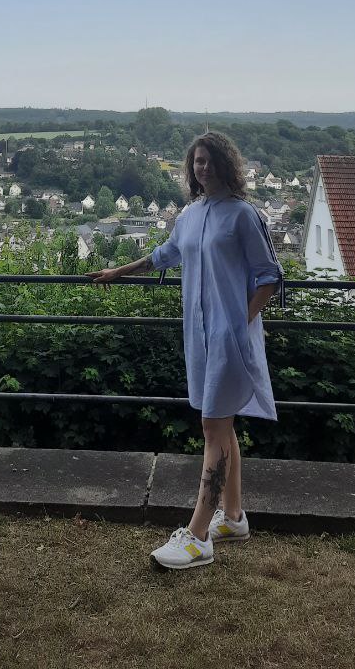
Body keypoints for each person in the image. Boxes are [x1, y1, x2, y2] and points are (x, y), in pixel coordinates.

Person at [90, 132, 282, 570]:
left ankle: (198, 537)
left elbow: (270, 276)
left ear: (226, 165)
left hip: (229, 341)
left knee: (213, 427)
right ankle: (232, 518)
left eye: (210, 161)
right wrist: (120, 270)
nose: (203, 168)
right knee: (222, 424)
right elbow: (166, 254)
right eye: (197, 162)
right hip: (199, 337)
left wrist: (240, 324)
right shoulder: (190, 216)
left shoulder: (243, 216)